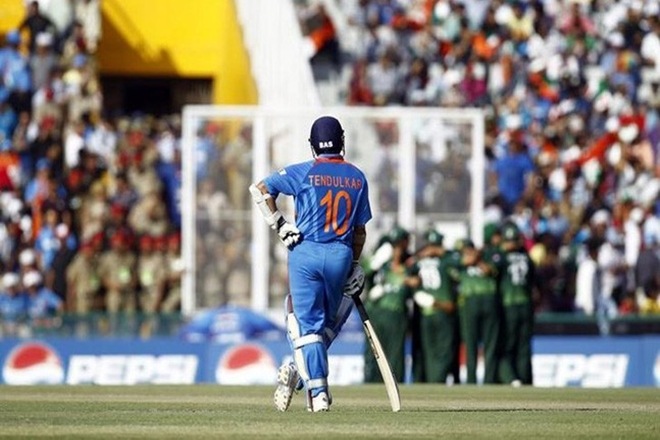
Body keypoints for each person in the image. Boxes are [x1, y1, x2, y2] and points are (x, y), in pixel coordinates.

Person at [249, 115, 372, 413]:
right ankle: (297, 370)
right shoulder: (357, 177)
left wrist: (280, 225)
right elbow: (360, 231)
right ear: (341, 141)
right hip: (340, 254)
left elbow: (260, 190)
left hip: (305, 252)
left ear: (313, 144)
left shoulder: (304, 171)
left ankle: (318, 394)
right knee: (326, 325)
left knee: (306, 325)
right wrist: (355, 263)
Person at [407, 228, 459, 384]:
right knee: (444, 351)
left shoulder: (419, 261)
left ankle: (432, 382)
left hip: (426, 313)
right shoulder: (446, 260)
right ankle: (437, 381)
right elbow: (460, 262)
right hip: (442, 311)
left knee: (430, 352)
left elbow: (407, 269)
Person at [363, 225, 412, 384]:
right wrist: (376, 262)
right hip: (375, 312)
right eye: (394, 245)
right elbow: (363, 272)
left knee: (395, 355)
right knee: (374, 352)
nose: (397, 250)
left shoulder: (408, 263)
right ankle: (370, 385)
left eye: (399, 245)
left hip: (396, 313)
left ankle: (396, 386)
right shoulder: (380, 260)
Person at [456, 239, 500, 384]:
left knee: (490, 344)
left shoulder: (488, 257)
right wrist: (471, 258)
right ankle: (471, 380)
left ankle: (489, 380)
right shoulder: (457, 262)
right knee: (470, 343)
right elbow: (462, 263)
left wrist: (478, 259)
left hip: (489, 301)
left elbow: (489, 270)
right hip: (469, 302)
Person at [496, 222, 535, 386]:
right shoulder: (527, 257)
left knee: (507, 344)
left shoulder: (501, 257)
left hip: (509, 305)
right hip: (525, 304)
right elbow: (534, 283)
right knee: (524, 346)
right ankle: (524, 378)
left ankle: (511, 378)